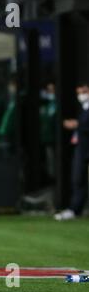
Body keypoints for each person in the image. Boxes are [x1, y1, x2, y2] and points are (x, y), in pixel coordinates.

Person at [55, 82, 89, 221]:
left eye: (84, 91)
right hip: (82, 148)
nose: (81, 95)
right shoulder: (84, 108)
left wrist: (78, 124)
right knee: (78, 178)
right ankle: (75, 209)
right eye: (79, 92)